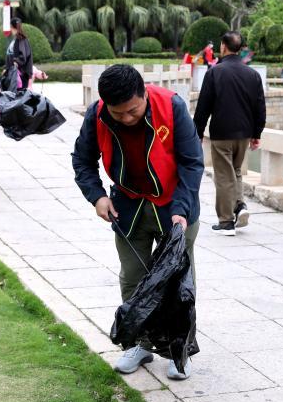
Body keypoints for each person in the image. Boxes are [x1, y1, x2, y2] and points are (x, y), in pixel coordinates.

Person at [72, 64, 204, 380]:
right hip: (128, 207)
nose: (127, 118)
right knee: (132, 278)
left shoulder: (171, 107)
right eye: (119, 115)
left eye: (133, 111)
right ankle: (141, 343)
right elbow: (82, 160)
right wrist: (97, 196)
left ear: (144, 93)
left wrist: (181, 210)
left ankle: (178, 349)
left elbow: (192, 162)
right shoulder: (98, 115)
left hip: (175, 206)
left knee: (177, 282)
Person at [194, 31, 266, 236]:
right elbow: (260, 106)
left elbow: (203, 107)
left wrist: (197, 132)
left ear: (224, 46)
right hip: (244, 134)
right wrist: (257, 133)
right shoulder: (252, 74)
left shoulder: (215, 72)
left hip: (222, 133)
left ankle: (226, 222)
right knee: (235, 172)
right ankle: (239, 207)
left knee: (224, 176)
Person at [6, 17, 33, 89]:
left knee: (18, 96)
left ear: (12, 27)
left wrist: (16, 62)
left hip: (21, 74)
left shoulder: (20, 39)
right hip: (17, 73)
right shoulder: (17, 39)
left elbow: (23, 56)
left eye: (10, 27)